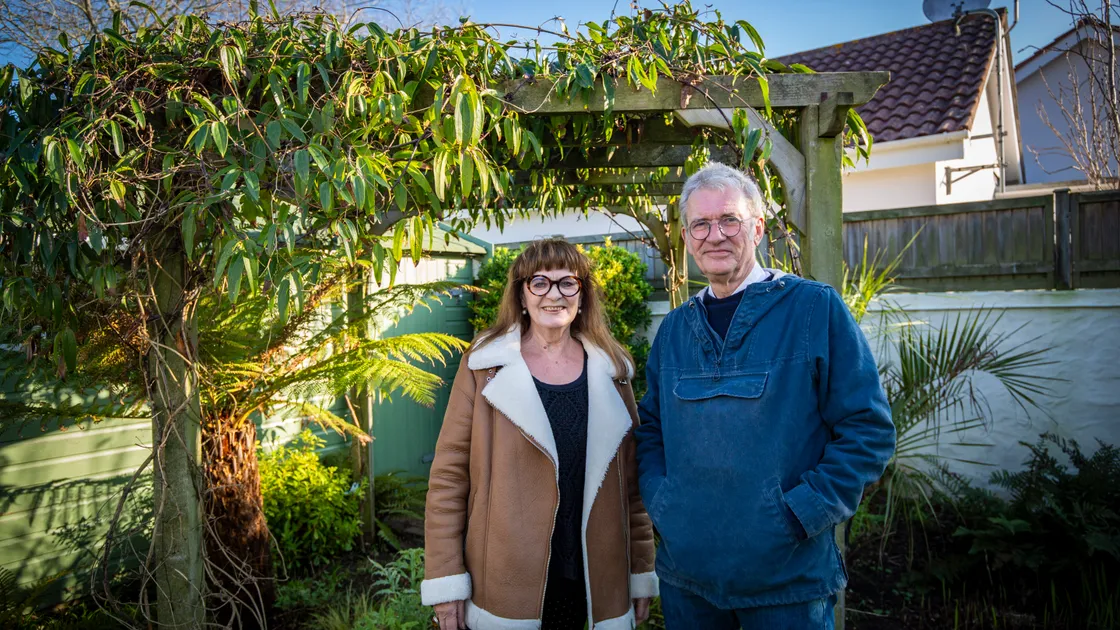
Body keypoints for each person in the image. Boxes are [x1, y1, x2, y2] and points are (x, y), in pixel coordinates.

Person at [634, 162, 896, 629]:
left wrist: (800, 515)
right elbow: (651, 429)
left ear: (757, 227)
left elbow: (868, 431)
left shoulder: (813, 309)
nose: (715, 235)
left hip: (786, 585)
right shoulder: (674, 330)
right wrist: (664, 502)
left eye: (729, 220)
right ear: (688, 237)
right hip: (688, 583)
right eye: (701, 224)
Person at [422, 238, 658, 630]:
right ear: (522, 294)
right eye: (540, 282)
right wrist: (446, 585)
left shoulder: (613, 372)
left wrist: (639, 573)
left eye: (568, 283)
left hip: (593, 580)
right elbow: (448, 480)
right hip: (505, 582)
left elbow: (632, 491)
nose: (554, 294)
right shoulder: (484, 367)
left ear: (582, 295)